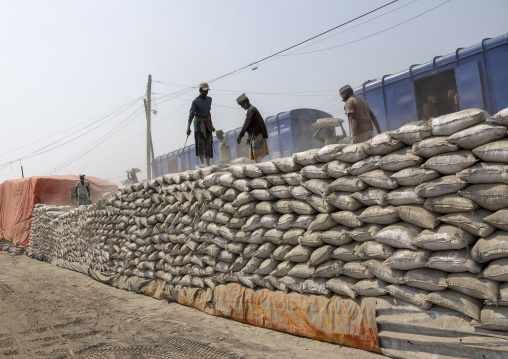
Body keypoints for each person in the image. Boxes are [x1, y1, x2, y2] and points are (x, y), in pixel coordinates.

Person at [187, 82, 215, 167]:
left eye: (206, 91)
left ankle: (207, 162)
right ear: (200, 90)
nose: (205, 93)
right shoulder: (195, 101)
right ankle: (202, 162)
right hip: (198, 125)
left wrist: (210, 123)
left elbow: (209, 112)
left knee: (208, 142)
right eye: (204, 91)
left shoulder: (209, 99)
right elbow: (191, 115)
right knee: (200, 143)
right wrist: (188, 128)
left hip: (207, 123)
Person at [236, 93, 269, 163]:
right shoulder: (250, 110)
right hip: (254, 135)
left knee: (257, 158)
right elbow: (251, 125)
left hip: (257, 135)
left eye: (241, 104)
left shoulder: (252, 110)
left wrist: (240, 136)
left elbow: (246, 124)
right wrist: (250, 136)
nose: (241, 107)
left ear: (246, 102)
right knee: (256, 158)